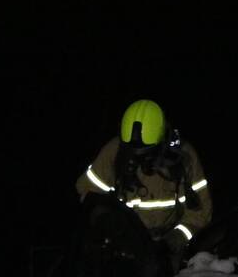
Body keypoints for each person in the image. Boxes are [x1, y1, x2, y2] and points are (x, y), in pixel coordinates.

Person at [75, 99, 213, 268]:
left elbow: (200, 214)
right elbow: (87, 191)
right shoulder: (114, 151)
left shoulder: (185, 159)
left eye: (145, 154)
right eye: (131, 151)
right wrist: (107, 222)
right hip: (124, 243)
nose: (136, 159)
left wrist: (174, 241)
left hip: (168, 246)